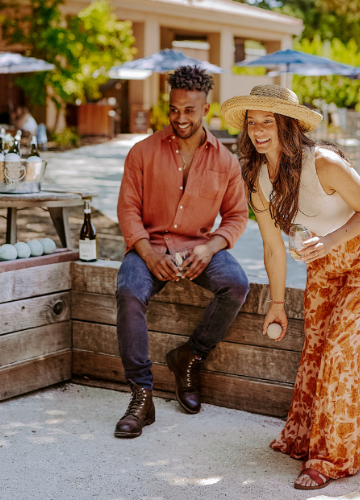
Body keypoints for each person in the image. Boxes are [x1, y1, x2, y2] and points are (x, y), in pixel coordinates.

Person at [220, 85, 360, 490]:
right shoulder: (257, 180)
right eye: (252, 122)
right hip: (323, 262)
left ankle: (331, 458)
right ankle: (307, 437)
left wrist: (332, 241)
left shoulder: (324, 163)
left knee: (344, 351)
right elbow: (272, 247)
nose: (259, 130)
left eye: (269, 121)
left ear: (289, 125)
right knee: (316, 347)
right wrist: (277, 303)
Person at [115, 65, 250, 438]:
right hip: (149, 245)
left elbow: (238, 216)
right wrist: (145, 251)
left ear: (206, 108)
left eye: (189, 110)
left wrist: (210, 248)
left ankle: (189, 356)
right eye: (174, 109)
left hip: (198, 248)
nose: (180, 118)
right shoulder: (142, 152)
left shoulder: (225, 161)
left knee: (236, 284)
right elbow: (127, 209)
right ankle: (142, 395)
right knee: (128, 292)